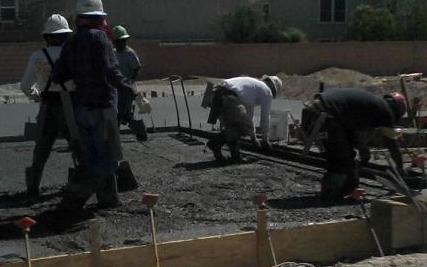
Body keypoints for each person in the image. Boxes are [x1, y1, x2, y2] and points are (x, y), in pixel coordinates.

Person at [52, 0, 135, 210]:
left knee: (92, 157)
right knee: (106, 160)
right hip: (102, 108)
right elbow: (111, 70)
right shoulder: (100, 38)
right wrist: (129, 89)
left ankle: (109, 200)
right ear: (98, 18)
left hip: (82, 110)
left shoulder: (71, 42)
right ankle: (73, 199)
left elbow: (58, 75)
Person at [302, 88, 407, 200]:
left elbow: (349, 130)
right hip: (325, 115)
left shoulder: (371, 105)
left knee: (336, 155)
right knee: (343, 159)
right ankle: (334, 194)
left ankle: (332, 190)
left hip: (311, 111)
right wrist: (400, 168)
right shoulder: (386, 111)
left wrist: (362, 148)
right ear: (397, 111)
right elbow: (391, 144)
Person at [20, 14, 73, 198]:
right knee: (79, 147)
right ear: (66, 36)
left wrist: (37, 96)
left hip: (48, 104)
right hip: (71, 106)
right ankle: (83, 183)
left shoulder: (37, 56)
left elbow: (25, 86)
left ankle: (33, 187)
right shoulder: (73, 54)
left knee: (41, 149)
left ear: (47, 37)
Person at [206, 75, 283, 163]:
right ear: (273, 88)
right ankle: (216, 143)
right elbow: (265, 117)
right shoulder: (267, 91)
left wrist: (253, 138)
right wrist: (265, 140)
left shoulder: (252, 88)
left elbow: (248, 116)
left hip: (216, 94)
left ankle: (234, 156)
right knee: (242, 127)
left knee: (233, 126)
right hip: (229, 97)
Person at [112, 25, 147, 141]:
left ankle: (139, 130)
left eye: (122, 41)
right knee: (118, 114)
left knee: (123, 115)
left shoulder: (130, 54)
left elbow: (137, 68)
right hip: (116, 88)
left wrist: (130, 81)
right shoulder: (113, 53)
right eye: (118, 41)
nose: (120, 43)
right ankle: (116, 137)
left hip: (127, 89)